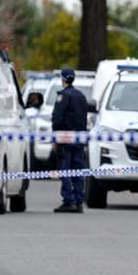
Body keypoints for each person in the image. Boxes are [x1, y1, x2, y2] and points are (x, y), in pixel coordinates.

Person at [51, 68, 88, 213]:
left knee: (64, 170)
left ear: (63, 79)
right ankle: (79, 202)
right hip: (79, 139)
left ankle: (69, 201)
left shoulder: (63, 96)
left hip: (65, 139)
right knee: (78, 170)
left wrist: (55, 137)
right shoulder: (81, 96)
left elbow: (57, 118)